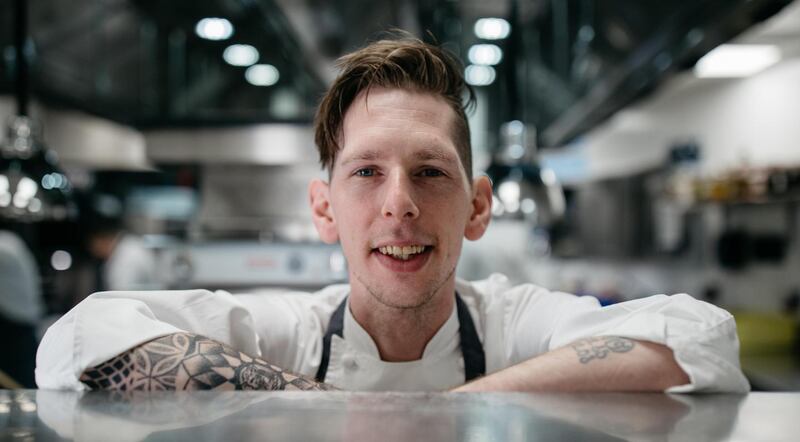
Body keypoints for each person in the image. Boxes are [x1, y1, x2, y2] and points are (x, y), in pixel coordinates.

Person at [35, 37, 749, 393]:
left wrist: (461, 405)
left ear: (476, 207)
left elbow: (702, 335)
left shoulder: (513, 326)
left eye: (430, 172)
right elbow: (74, 342)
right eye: (367, 172)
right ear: (324, 210)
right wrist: (305, 402)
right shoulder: (290, 334)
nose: (399, 203)